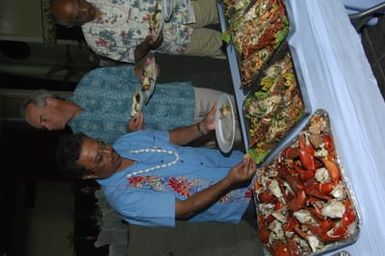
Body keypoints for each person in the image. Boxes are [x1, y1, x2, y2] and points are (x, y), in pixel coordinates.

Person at [56, 107, 256, 227]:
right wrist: (229, 181)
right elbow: (185, 209)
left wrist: (201, 127)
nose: (109, 151)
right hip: (239, 199)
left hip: (236, 160)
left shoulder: (126, 142)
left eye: (101, 143)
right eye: (100, 158)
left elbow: (172, 138)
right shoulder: (124, 199)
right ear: (88, 176)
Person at [21, 63, 240, 144]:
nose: (48, 127)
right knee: (242, 136)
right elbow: (129, 151)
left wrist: (144, 71)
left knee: (239, 105)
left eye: (43, 120)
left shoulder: (90, 82)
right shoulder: (84, 139)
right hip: (184, 133)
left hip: (184, 99)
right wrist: (131, 134)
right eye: (43, 127)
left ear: (49, 101)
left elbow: (130, 73)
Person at [51, 0, 225, 63]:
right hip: (175, 40)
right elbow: (132, 56)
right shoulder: (95, 41)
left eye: (79, 3)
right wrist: (148, 44)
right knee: (224, 47)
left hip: (181, 7)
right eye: (77, 15)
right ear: (70, 25)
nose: (84, 10)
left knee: (226, 8)